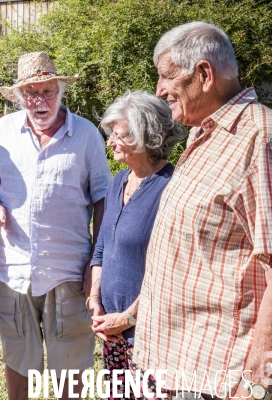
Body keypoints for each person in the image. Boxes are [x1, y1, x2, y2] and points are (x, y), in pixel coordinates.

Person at [133, 21, 272, 400]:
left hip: (220, 377)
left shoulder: (259, 135)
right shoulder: (206, 134)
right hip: (178, 364)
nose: (160, 90)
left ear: (204, 74)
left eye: (168, 77)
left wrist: (257, 385)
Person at [0, 51, 111, 400]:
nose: (39, 101)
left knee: (70, 367)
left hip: (68, 271)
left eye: (47, 92)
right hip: (14, 269)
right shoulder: (4, 130)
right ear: (20, 97)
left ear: (60, 91)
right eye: (30, 94)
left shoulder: (86, 135)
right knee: (18, 360)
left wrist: (95, 263)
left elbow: (103, 200)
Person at [87, 90, 184, 399]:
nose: (110, 141)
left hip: (151, 335)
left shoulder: (172, 188)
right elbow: (102, 245)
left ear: (146, 137)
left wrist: (128, 317)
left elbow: (173, 272)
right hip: (113, 334)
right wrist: (94, 299)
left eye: (119, 134)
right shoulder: (117, 182)